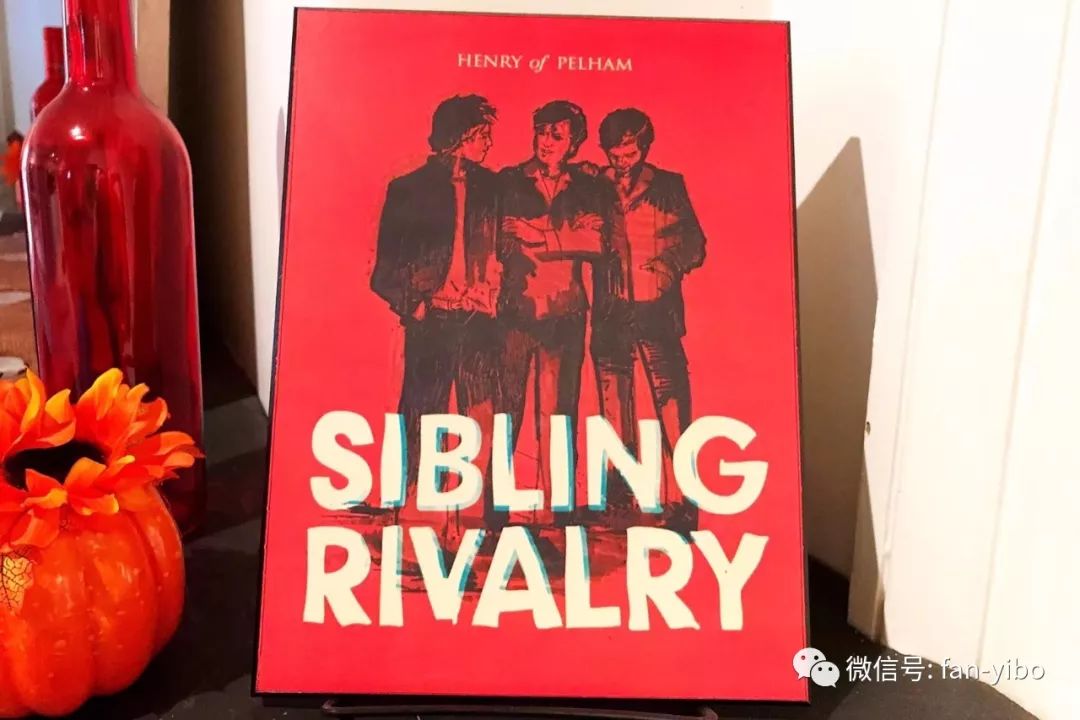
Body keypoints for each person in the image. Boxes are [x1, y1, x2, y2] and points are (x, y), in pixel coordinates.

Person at [370, 94, 504, 531]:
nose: (489, 143)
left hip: (480, 320)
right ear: (459, 138)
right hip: (432, 319)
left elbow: (507, 252)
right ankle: (413, 506)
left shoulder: (493, 188)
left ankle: (473, 513)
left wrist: (496, 291)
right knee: (422, 411)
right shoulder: (408, 189)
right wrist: (418, 306)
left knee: (480, 413)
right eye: (482, 135)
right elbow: (385, 272)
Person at [497, 100, 615, 526]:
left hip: (565, 311)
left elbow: (596, 243)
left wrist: (538, 234)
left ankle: (558, 509)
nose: (546, 141)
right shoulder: (510, 180)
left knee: (559, 414)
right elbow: (503, 238)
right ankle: (496, 510)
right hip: (516, 310)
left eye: (557, 135)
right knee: (506, 411)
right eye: (541, 131)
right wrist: (564, 237)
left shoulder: (586, 185)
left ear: (574, 143)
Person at [589, 108, 707, 532]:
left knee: (671, 404)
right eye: (614, 154)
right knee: (613, 407)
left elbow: (695, 242)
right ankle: (620, 501)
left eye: (630, 153)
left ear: (644, 147)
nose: (622, 161)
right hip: (611, 311)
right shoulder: (593, 186)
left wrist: (669, 265)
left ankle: (683, 503)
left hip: (657, 309)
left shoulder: (669, 185)